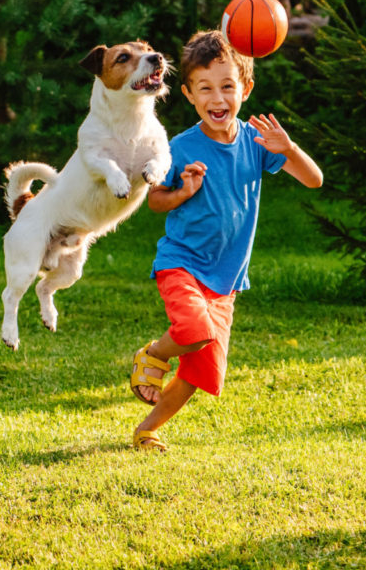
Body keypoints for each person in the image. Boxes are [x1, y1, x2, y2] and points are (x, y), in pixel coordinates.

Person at [129, 29, 324, 451]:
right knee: (194, 330)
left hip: (225, 280)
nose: (218, 99)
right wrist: (182, 192)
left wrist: (288, 148)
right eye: (205, 89)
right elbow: (155, 201)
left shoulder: (258, 142)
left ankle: (148, 429)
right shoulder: (179, 146)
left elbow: (314, 179)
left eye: (227, 87)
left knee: (201, 373)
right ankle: (154, 355)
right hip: (182, 262)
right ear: (188, 94)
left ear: (246, 89)